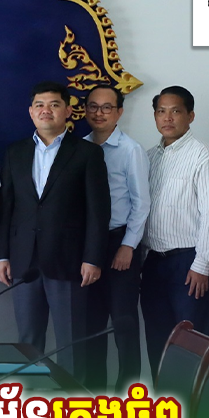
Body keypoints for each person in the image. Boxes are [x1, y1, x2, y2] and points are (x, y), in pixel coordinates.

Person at [0, 81, 110, 379]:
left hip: (69, 261)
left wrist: (93, 258)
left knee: (70, 342)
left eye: (54, 104)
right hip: (24, 261)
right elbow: (7, 207)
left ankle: (73, 403)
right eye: (40, 105)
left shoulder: (87, 153)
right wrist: (2, 255)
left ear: (68, 111)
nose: (46, 110)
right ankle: (30, 400)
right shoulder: (15, 152)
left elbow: (98, 212)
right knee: (28, 342)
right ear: (31, 111)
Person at [140, 86, 209, 373]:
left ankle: (193, 402)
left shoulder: (204, 156)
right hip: (154, 262)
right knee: (157, 339)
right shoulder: (149, 157)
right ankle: (163, 400)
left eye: (175, 111)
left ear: (190, 116)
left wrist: (202, 264)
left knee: (191, 342)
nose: (168, 118)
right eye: (161, 111)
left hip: (188, 263)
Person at [83, 85, 150, 392]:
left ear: (119, 112)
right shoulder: (80, 148)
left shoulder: (130, 150)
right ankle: (93, 394)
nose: (99, 113)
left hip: (120, 242)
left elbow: (142, 203)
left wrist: (128, 245)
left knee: (124, 322)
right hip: (88, 246)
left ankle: (128, 396)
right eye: (93, 106)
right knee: (91, 324)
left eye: (107, 107)